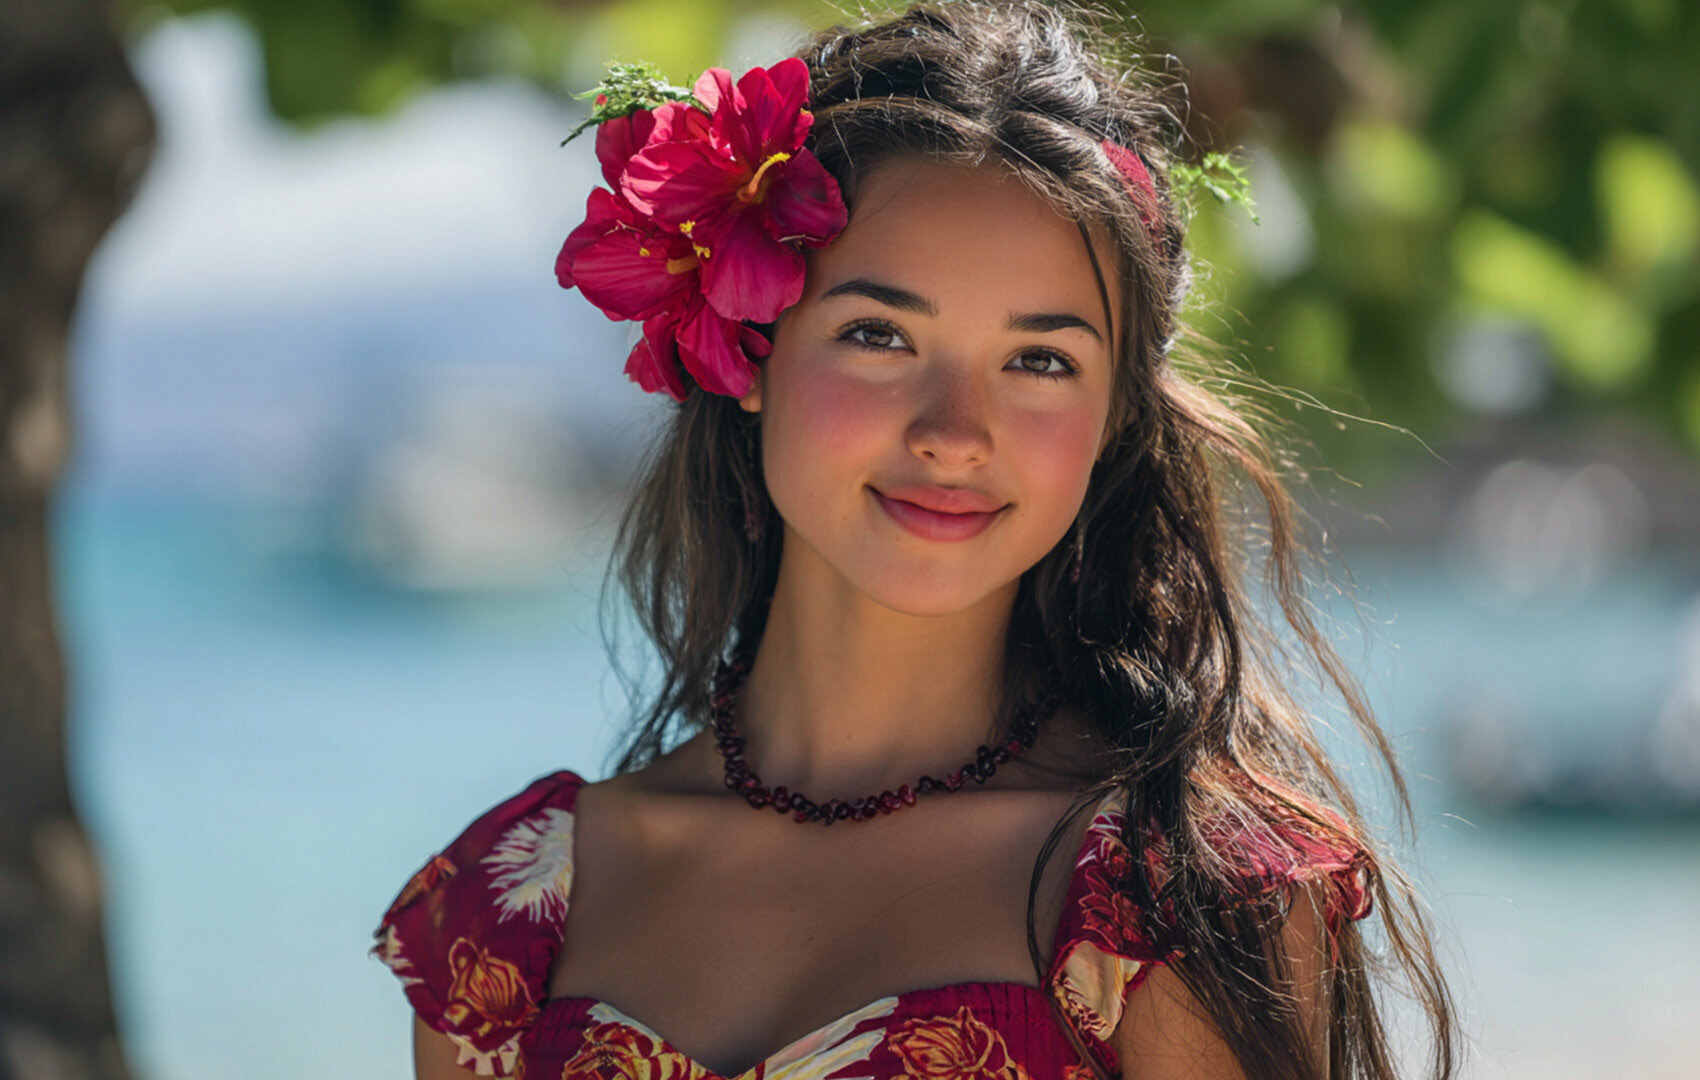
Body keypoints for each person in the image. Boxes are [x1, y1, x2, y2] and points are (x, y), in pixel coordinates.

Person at [372, 4, 1458, 1079]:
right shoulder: (506, 917)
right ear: (744, 350)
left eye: (1039, 361)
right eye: (878, 336)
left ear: (1114, 416)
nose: (953, 434)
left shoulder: (1180, 899)